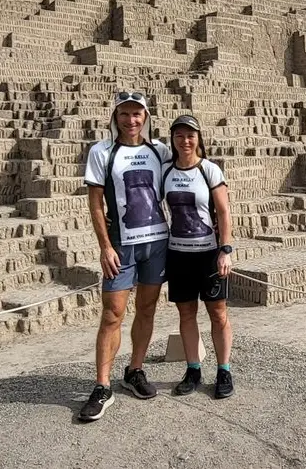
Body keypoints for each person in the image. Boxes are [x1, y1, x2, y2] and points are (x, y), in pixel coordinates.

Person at [79, 91, 172, 422]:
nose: (131, 120)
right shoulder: (102, 152)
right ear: (115, 116)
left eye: (137, 114)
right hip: (122, 244)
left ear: (145, 117)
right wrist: (104, 245)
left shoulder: (159, 151)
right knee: (112, 314)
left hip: (156, 243)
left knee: (147, 308)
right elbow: (95, 203)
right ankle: (102, 386)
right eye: (124, 114)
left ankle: (135, 370)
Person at [161, 114, 235, 399]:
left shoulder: (210, 171)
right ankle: (193, 369)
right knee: (186, 313)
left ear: (198, 138)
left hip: (208, 254)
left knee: (218, 313)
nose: (185, 141)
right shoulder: (166, 172)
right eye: (179, 135)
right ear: (173, 140)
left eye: (190, 135)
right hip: (178, 254)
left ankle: (224, 370)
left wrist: (225, 249)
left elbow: (224, 211)